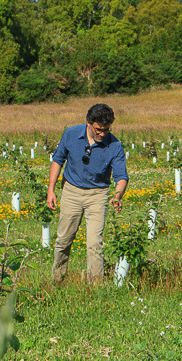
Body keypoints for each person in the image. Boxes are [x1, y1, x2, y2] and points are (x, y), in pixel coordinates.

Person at [47, 103, 129, 283]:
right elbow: (58, 160)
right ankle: (57, 281)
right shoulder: (70, 134)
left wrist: (117, 195)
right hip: (71, 191)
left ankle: (95, 285)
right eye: (98, 129)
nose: (102, 134)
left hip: (98, 195)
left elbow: (122, 175)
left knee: (94, 244)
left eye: (106, 130)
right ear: (88, 123)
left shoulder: (115, 145)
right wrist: (51, 190)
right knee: (64, 240)